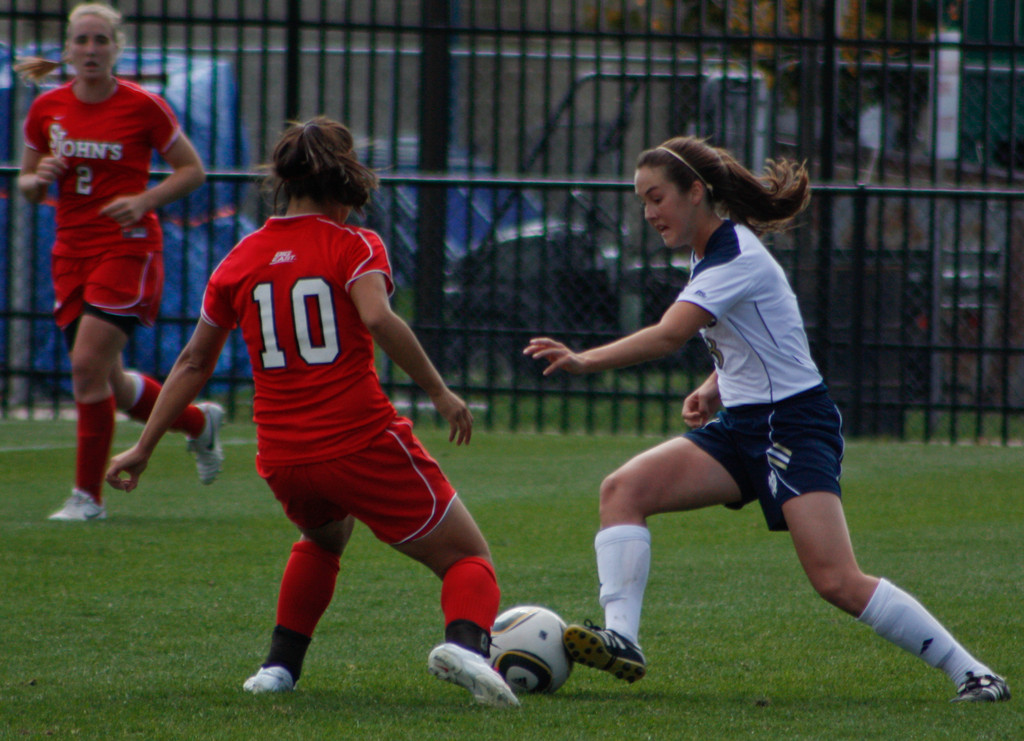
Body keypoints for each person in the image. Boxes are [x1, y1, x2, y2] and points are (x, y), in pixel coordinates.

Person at [524, 135, 1011, 703]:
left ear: (695, 192)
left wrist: (584, 359)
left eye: (656, 198)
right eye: (643, 202)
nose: (649, 213)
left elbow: (669, 334)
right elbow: (758, 336)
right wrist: (714, 386)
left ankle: (974, 673)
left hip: (794, 426)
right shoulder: (711, 251)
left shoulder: (735, 257)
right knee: (623, 489)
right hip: (744, 426)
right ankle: (622, 640)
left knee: (836, 581)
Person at [104, 116, 519, 708]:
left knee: (323, 539)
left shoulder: (240, 259)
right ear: (342, 182)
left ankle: (277, 669)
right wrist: (439, 391)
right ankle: (469, 651)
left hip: (285, 455)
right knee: (467, 557)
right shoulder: (354, 244)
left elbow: (194, 361)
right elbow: (377, 319)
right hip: (360, 438)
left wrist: (144, 448)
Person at [16, 2, 224, 522]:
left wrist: (145, 200)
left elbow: (191, 171)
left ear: (116, 48)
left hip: (126, 249)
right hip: (71, 252)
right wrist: (38, 178)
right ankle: (199, 424)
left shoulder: (143, 106)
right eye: (81, 40)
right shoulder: (47, 109)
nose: (90, 50)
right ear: (66, 50)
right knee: (110, 380)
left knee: (85, 366)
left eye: (100, 40)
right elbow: (24, 184)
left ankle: (88, 498)